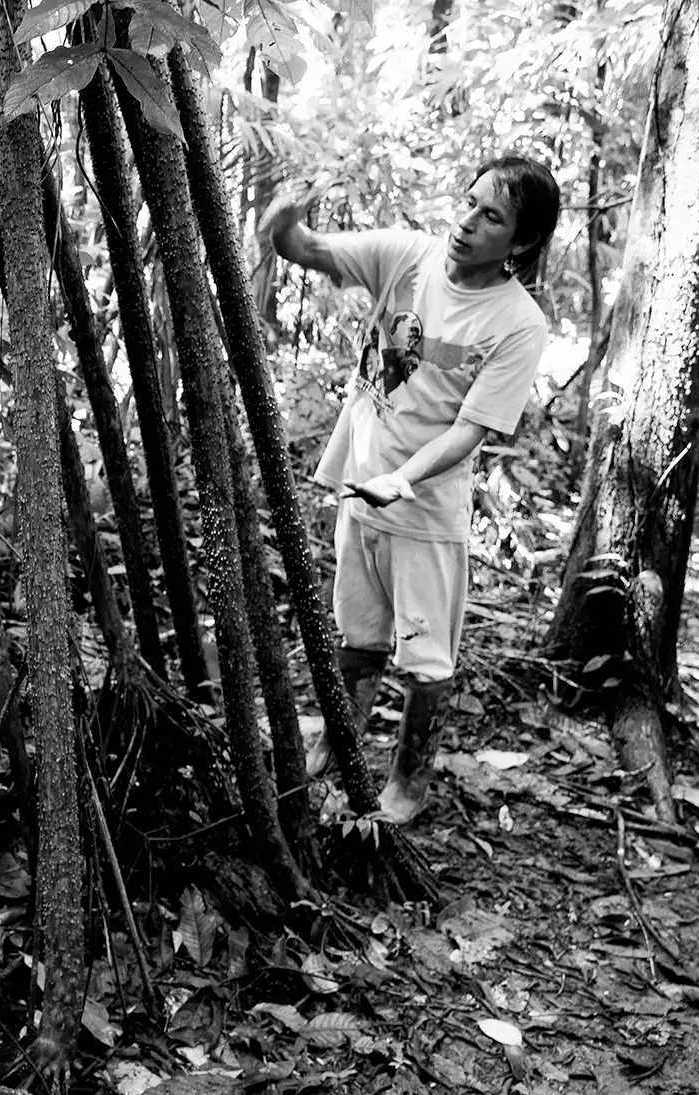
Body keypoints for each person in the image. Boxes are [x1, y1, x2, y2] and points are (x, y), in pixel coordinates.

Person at [268, 155, 561, 823]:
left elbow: (470, 432)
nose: (467, 222)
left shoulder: (517, 323)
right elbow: (302, 248)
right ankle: (337, 751)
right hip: (360, 490)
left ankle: (408, 782)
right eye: (470, 201)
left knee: (425, 658)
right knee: (357, 633)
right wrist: (284, 217)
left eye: (492, 216)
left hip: (425, 513)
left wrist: (404, 477)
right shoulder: (409, 257)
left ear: (519, 243)